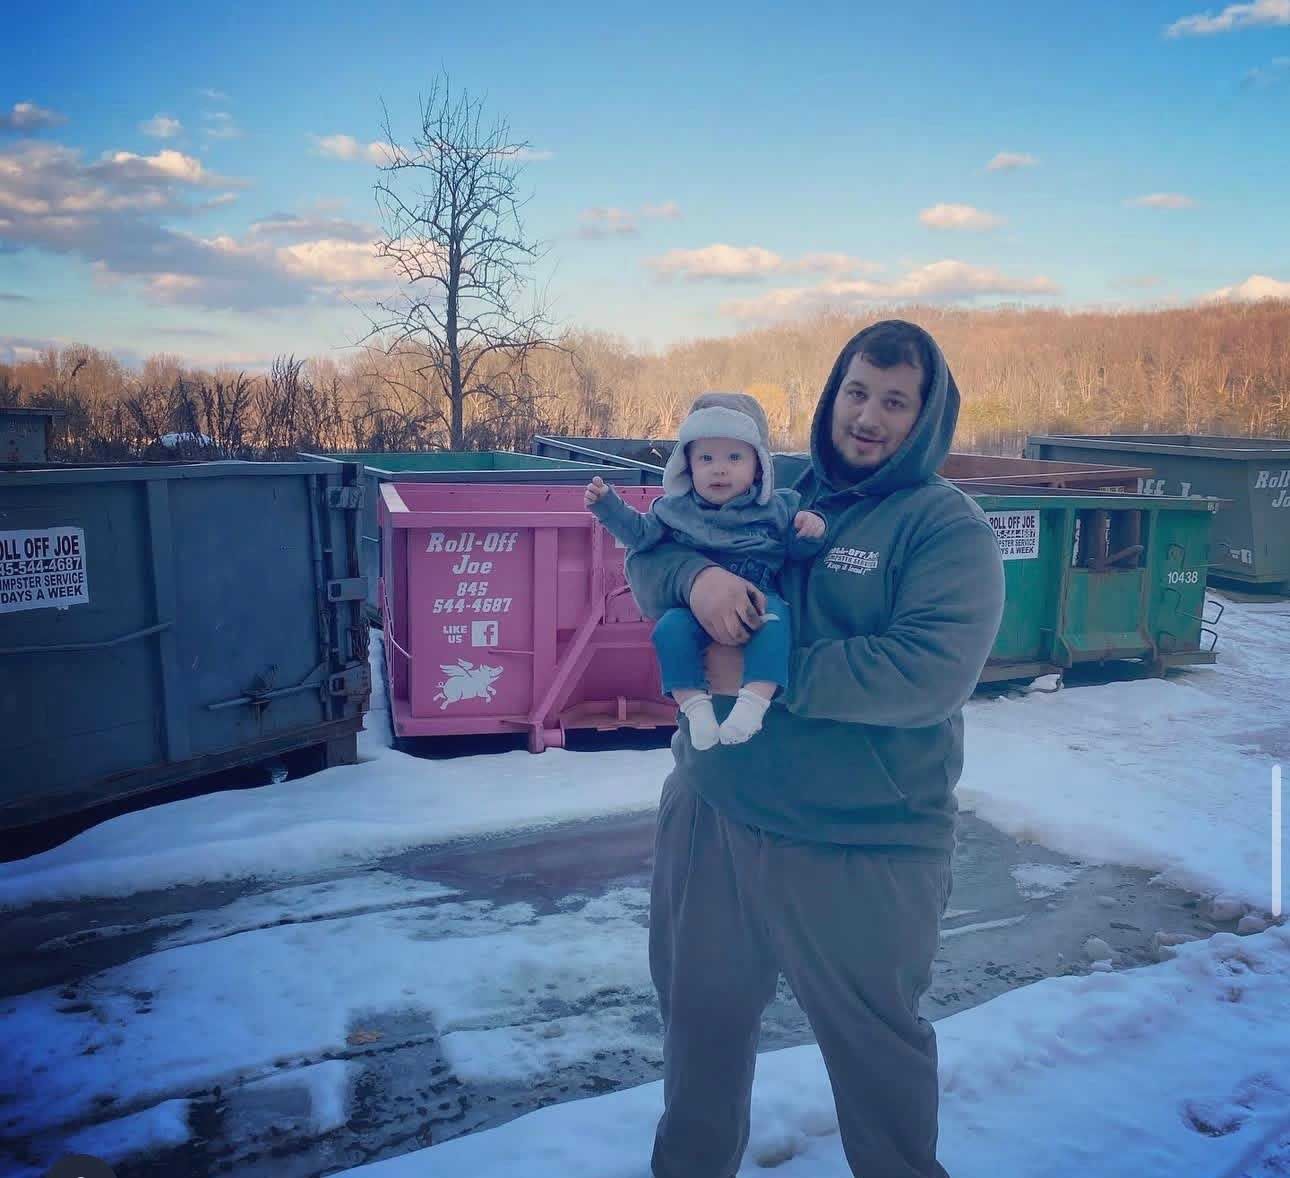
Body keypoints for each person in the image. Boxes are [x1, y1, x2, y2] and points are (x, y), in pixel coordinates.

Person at [625, 320, 1006, 1178]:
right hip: (714, 815)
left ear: (926, 417)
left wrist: (766, 668)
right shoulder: (765, 488)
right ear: (833, 392)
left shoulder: (944, 527)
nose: (868, 417)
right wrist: (697, 578)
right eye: (857, 392)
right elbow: (650, 556)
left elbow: (928, 672)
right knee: (698, 1037)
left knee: (878, 1067)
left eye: (895, 402)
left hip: (861, 842)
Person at [584, 392, 827, 748]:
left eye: (734, 457)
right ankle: (695, 707)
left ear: (758, 466)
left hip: (759, 593)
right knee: (669, 631)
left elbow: (795, 548)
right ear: (688, 466)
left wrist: (811, 526)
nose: (720, 468)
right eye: (706, 458)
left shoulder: (778, 507)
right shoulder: (673, 509)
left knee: (775, 624)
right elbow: (640, 535)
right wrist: (608, 506)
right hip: (692, 606)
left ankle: (753, 703)